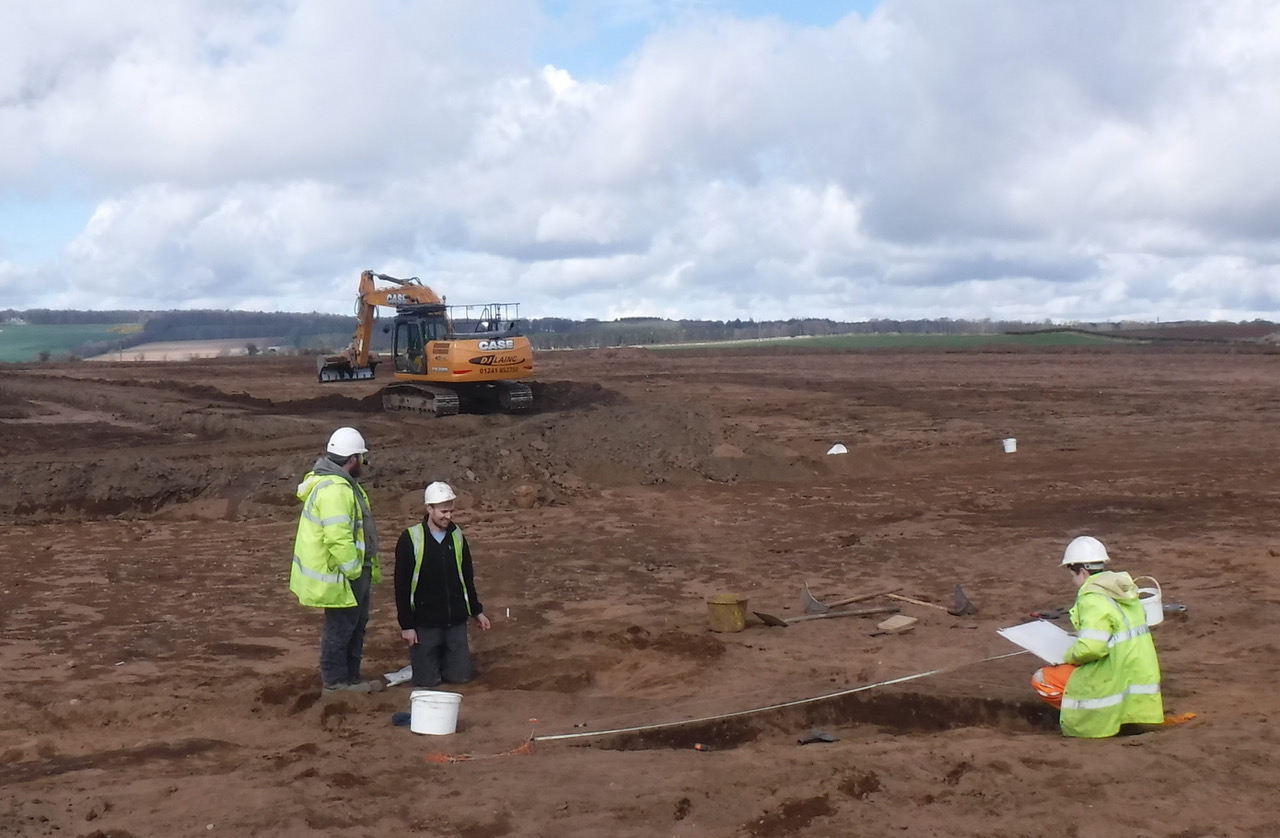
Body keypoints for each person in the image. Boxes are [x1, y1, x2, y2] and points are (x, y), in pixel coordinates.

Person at [1031, 535, 1163, 737]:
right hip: (1137, 672)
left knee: (1043, 678)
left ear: (1082, 572)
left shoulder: (1091, 598)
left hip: (1111, 675)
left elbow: (1091, 648)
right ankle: (1127, 718)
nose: (1073, 581)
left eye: (1072, 575)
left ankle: (1091, 717)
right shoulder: (1124, 590)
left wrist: (1067, 656)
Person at [289, 427, 383, 694]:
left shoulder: (339, 484)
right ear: (352, 459)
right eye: (361, 457)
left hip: (350, 571)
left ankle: (351, 679)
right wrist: (354, 570)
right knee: (341, 628)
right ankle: (336, 682)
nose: (363, 463)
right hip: (344, 574)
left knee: (353, 626)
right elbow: (338, 537)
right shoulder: (336, 490)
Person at [394, 481, 491, 687]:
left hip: (454, 622)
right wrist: (407, 625)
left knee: (461, 677)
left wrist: (476, 611)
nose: (448, 516)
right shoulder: (410, 539)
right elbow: (402, 586)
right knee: (427, 682)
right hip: (425, 624)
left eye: (451, 511)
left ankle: (448, 661)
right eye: (443, 511)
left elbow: (466, 577)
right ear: (429, 509)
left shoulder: (457, 537)